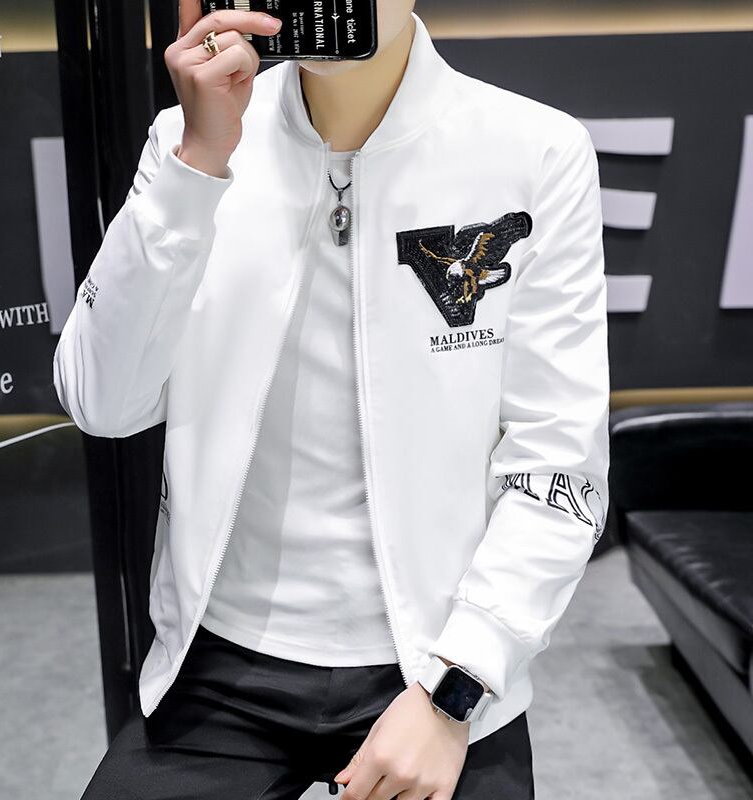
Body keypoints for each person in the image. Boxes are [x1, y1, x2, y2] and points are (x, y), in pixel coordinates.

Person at [54, 1, 610, 798]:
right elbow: (101, 402)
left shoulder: (533, 149)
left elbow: (559, 465)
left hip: (438, 655)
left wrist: (454, 690)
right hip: (221, 660)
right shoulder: (189, 141)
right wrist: (198, 163)